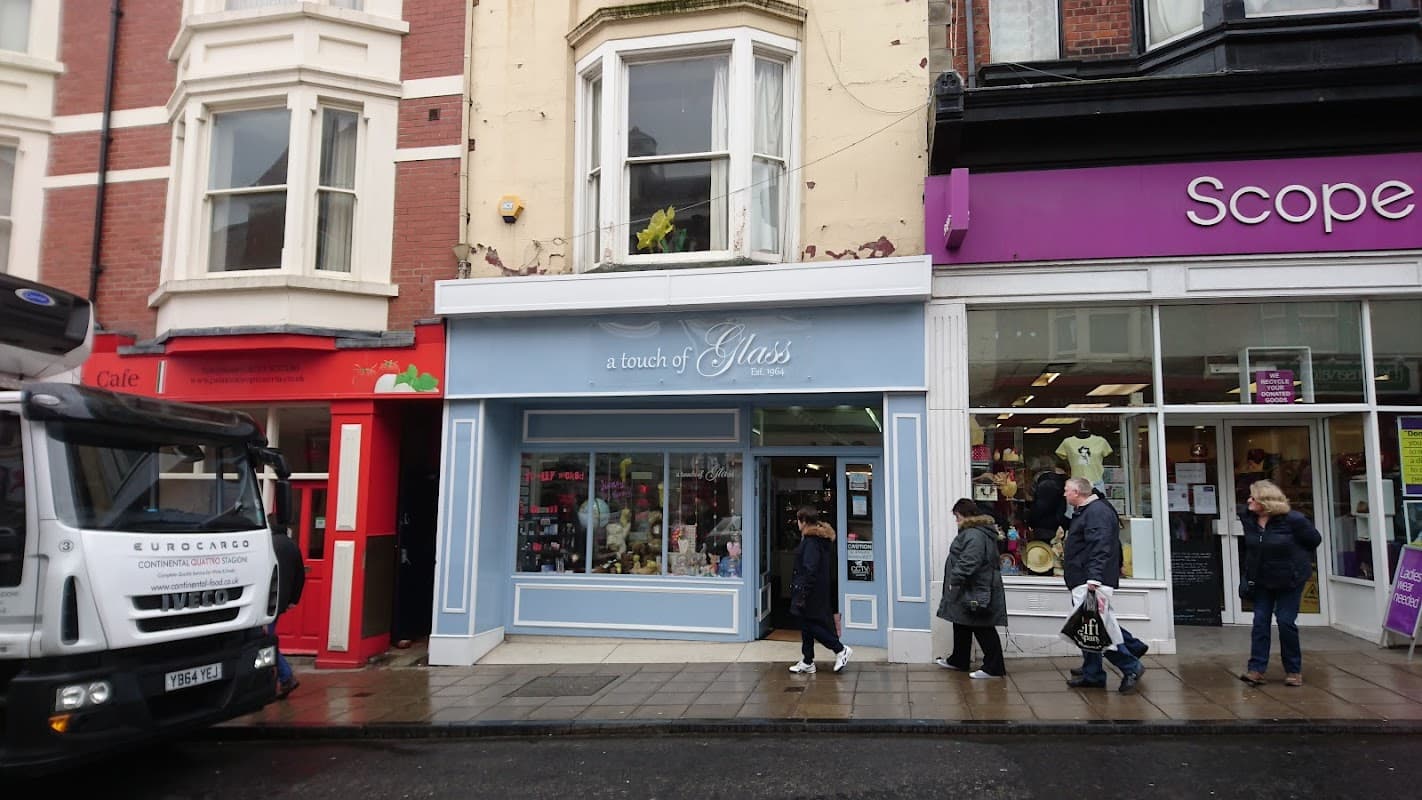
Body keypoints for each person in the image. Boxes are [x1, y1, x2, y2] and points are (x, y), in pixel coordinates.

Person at [1062, 476, 1145, 693]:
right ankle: (1094, 673)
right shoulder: (1087, 511)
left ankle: (1130, 666)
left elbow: (1101, 546)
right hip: (1084, 578)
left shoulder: (1096, 512)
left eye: (1067, 490)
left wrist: (1094, 578)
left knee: (1095, 629)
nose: (1064, 493)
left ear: (1078, 493)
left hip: (1090, 580)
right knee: (1090, 627)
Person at [1238, 479, 1321, 687]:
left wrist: (1294, 561)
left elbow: (1314, 540)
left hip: (1289, 580)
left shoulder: (1294, 520)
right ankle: (1256, 669)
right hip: (1261, 578)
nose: (1249, 500)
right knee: (1260, 622)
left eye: (1253, 497)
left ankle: (1293, 670)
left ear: (1266, 501)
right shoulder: (1248, 518)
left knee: (1285, 622)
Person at [935, 498, 1008, 678]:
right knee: (962, 622)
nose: (956, 520)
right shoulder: (975, 532)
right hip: (972, 586)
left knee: (982, 625)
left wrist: (956, 578)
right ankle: (959, 659)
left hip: (974, 586)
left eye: (957, 516)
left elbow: (970, 560)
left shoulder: (974, 534)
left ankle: (994, 667)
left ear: (965, 515)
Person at [787, 506, 852, 674]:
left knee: (811, 625)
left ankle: (840, 649)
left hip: (811, 591)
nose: (797, 524)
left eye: (798, 520)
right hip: (817, 590)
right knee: (806, 624)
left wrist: (803, 592)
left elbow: (810, 569)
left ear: (803, 521)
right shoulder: (818, 540)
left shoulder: (811, 542)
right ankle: (807, 660)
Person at [270, 524, 305, 699]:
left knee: (264, 641)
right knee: (266, 638)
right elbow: (301, 575)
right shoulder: (292, 545)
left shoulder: (268, 544)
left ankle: (285, 676)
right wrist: (293, 599)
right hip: (280, 601)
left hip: (265, 602)